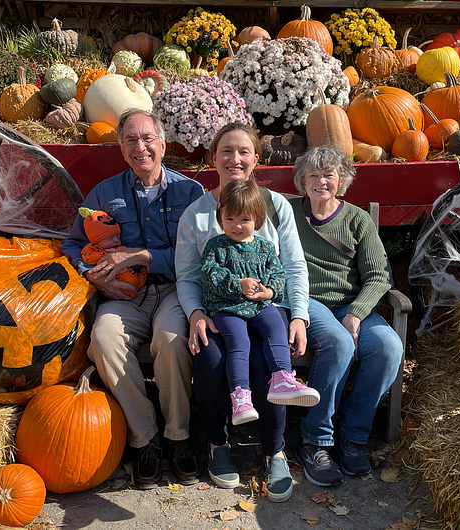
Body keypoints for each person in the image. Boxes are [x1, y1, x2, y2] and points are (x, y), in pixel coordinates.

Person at [61, 108, 205, 489]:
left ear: (162, 143)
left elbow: (198, 255)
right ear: (122, 151)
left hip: (175, 289)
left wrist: (141, 255)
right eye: (130, 141)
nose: (140, 148)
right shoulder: (104, 194)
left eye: (147, 139)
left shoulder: (189, 192)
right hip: (124, 294)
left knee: (173, 340)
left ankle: (179, 436)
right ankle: (147, 439)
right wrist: (93, 278)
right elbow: (74, 244)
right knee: (104, 339)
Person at [175, 122, 310, 503]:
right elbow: (187, 275)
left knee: (270, 363)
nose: (235, 159)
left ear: (255, 158)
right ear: (213, 157)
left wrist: (298, 315)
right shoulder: (197, 214)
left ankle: (275, 450)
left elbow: (293, 267)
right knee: (213, 358)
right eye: (226, 151)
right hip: (220, 310)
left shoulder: (276, 206)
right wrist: (196, 314)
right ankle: (218, 444)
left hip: (268, 306)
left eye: (243, 152)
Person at [289, 146, 403, 487]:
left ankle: (352, 436)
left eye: (329, 174)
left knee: (388, 347)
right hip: (307, 300)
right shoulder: (287, 212)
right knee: (338, 343)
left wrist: (355, 314)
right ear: (302, 181)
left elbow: (379, 275)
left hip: (351, 304)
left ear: (342, 180)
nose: (321, 181)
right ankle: (315, 441)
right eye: (313, 174)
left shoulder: (357, 219)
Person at [201, 179, 319, 426]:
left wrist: (269, 293)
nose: (236, 225)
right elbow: (211, 274)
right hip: (227, 307)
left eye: (244, 219)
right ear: (220, 217)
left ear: (257, 220)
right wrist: (238, 284)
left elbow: (278, 275)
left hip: (259, 306)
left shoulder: (265, 248)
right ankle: (240, 398)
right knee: (239, 342)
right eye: (230, 219)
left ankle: (282, 379)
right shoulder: (217, 246)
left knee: (276, 328)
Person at [78, 206, 148, 297]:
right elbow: (88, 258)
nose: (116, 240)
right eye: (110, 238)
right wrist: (106, 254)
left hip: (136, 285)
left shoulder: (120, 248)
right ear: (97, 241)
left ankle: (141, 280)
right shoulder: (92, 249)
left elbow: (128, 253)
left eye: (118, 237)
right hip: (113, 288)